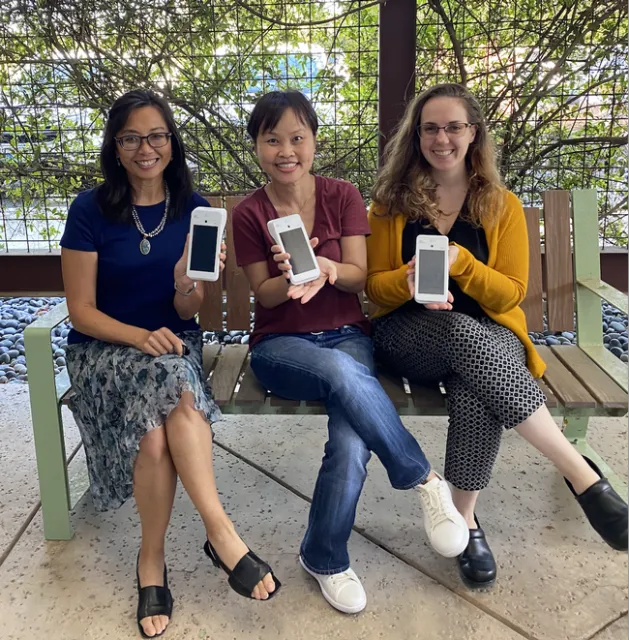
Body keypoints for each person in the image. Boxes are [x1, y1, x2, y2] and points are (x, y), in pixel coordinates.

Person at [365, 82, 628, 589]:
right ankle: (582, 475)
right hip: (409, 335)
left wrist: (461, 262)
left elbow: (509, 295)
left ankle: (463, 521)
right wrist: (408, 280)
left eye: (454, 127)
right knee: (462, 335)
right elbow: (375, 292)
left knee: (475, 390)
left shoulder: (499, 204)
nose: (442, 138)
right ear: (416, 136)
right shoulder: (390, 204)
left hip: (491, 337)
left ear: (474, 133)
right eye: (431, 128)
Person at [233, 89, 471, 615]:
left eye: (297, 137)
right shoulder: (249, 213)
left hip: (347, 335)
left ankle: (324, 556)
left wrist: (328, 269)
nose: (286, 150)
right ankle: (423, 480)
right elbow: (265, 296)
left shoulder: (342, 195)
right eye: (272, 139)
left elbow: (360, 279)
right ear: (257, 146)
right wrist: (284, 273)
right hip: (281, 347)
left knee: (349, 442)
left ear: (314, 140)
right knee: (342, 372)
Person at [60, 89, 279, 639]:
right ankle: (220, 535)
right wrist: (141, 336)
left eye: (156, 136)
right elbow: (81, 313)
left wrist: (188, 285)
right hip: (105, 352)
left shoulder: (194, 209)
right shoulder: (90, 210)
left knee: (161, 427)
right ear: (115, 145)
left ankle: (152, 561)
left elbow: (188, 310)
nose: (145, 148)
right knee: (170, 393)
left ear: (171, 143)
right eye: (131, 137)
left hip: (172, 351)